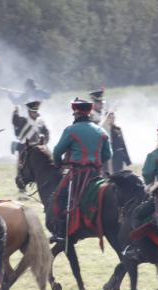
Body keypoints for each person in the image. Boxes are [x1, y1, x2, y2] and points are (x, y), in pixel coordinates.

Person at [49, 98, 112, 243]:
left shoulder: (71, 130)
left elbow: (57, 152)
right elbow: (108, 155)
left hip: (78, 174)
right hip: (97, 174)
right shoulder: (101, 131)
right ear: (89, 114)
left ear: (76, 115)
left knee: (58, 197)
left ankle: (60, 231)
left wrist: (59, 164)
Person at [12, 100, 50, 199]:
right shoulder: (23, 120)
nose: (35, 113)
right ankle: (22, 190)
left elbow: (46, 132)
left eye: (36, 111)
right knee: (22, 168)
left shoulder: (40, 121)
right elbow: (15, 122)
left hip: (36, 148)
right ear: (29, 111)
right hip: (24, 147)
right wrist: (15, 112)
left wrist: (44, 142)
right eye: (33, 111)